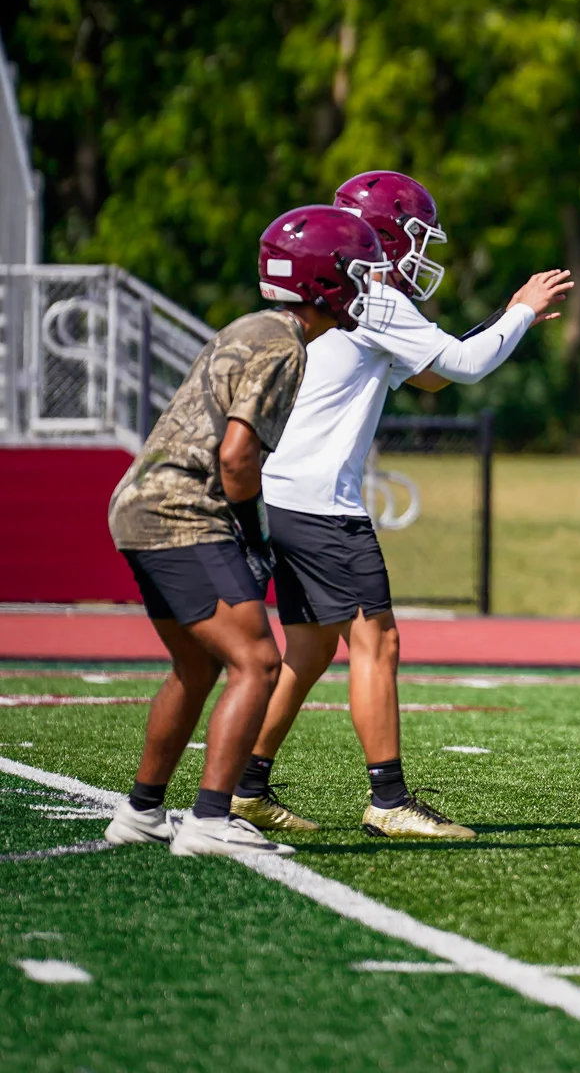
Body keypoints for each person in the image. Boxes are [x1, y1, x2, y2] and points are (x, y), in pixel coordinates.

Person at [231, 171, 572, 839]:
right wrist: (525, 311)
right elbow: (465, 369)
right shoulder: (375, 298)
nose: (423, 253)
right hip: (322, 501)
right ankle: (388, 798)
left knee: (308, 649)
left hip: (288, 494)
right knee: (376, 638)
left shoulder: (352, 299)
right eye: (416, 236)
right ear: (385, 235)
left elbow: (433, 374)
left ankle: (247, 786)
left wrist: (505, 319)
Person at [101, 205, 375, 857]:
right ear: (325, 278)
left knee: (195, 667)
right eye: (357, 270)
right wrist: (254, 534)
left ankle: (142, 811)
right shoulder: (284, 344)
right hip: (183, 510)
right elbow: (236, 455)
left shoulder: (255, 325)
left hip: (139, 502)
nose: (366, 283)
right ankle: (210, 819)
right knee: (257, 661)